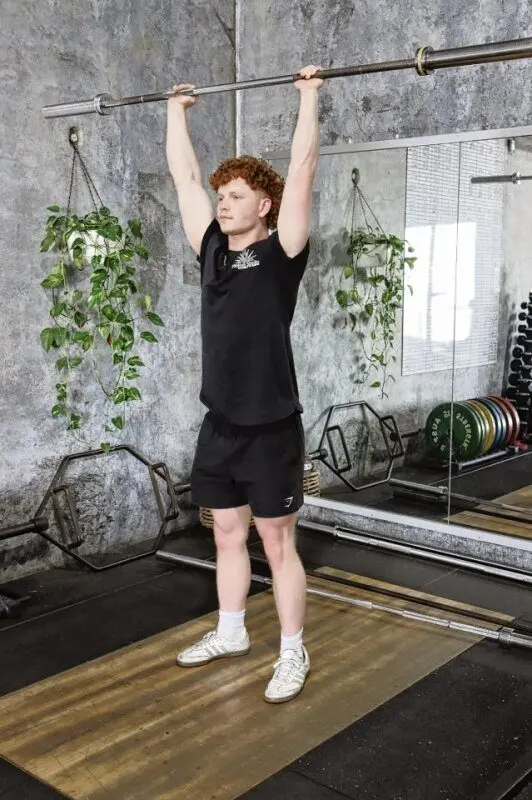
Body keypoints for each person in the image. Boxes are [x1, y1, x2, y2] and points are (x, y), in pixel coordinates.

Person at [166, 65, 323, 703]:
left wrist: (308, 98)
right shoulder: (211, 249)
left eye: (235, 195)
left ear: (264, 206)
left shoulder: (284, 251)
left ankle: (292, 651)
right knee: (226, 534)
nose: (223, 203)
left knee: (276, 543)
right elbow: (184, 178)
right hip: (220, 425)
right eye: (221, 196)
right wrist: (176, 112)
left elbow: (303, 169)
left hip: (271, 428)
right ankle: (231, 632)